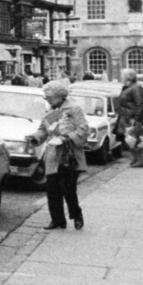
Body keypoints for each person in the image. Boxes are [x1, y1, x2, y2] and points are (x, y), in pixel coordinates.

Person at [24, 80, 86, 229]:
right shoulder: (50, 112)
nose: (47, 100)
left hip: (69, 155)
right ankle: (57, 220)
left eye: (49, 97)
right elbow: (43, 131)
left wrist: (66, 138)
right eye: (46, 97)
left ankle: (76, 215)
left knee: (69, 190)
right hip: (52, 155)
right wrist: (34, 137)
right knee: (52, 190)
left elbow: (83, 131)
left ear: (60, 96)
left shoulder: (74, 109)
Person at [117, 68, 143, 168]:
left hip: (132, 118)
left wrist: (136, 119)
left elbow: (141, 105)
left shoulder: (136, 88)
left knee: (136, 139)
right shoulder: (128, 87)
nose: (120, 77)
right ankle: (135, 159)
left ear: (129, 77)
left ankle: (140, 160)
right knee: (130, 139)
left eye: (122, 75)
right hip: (126, 117)